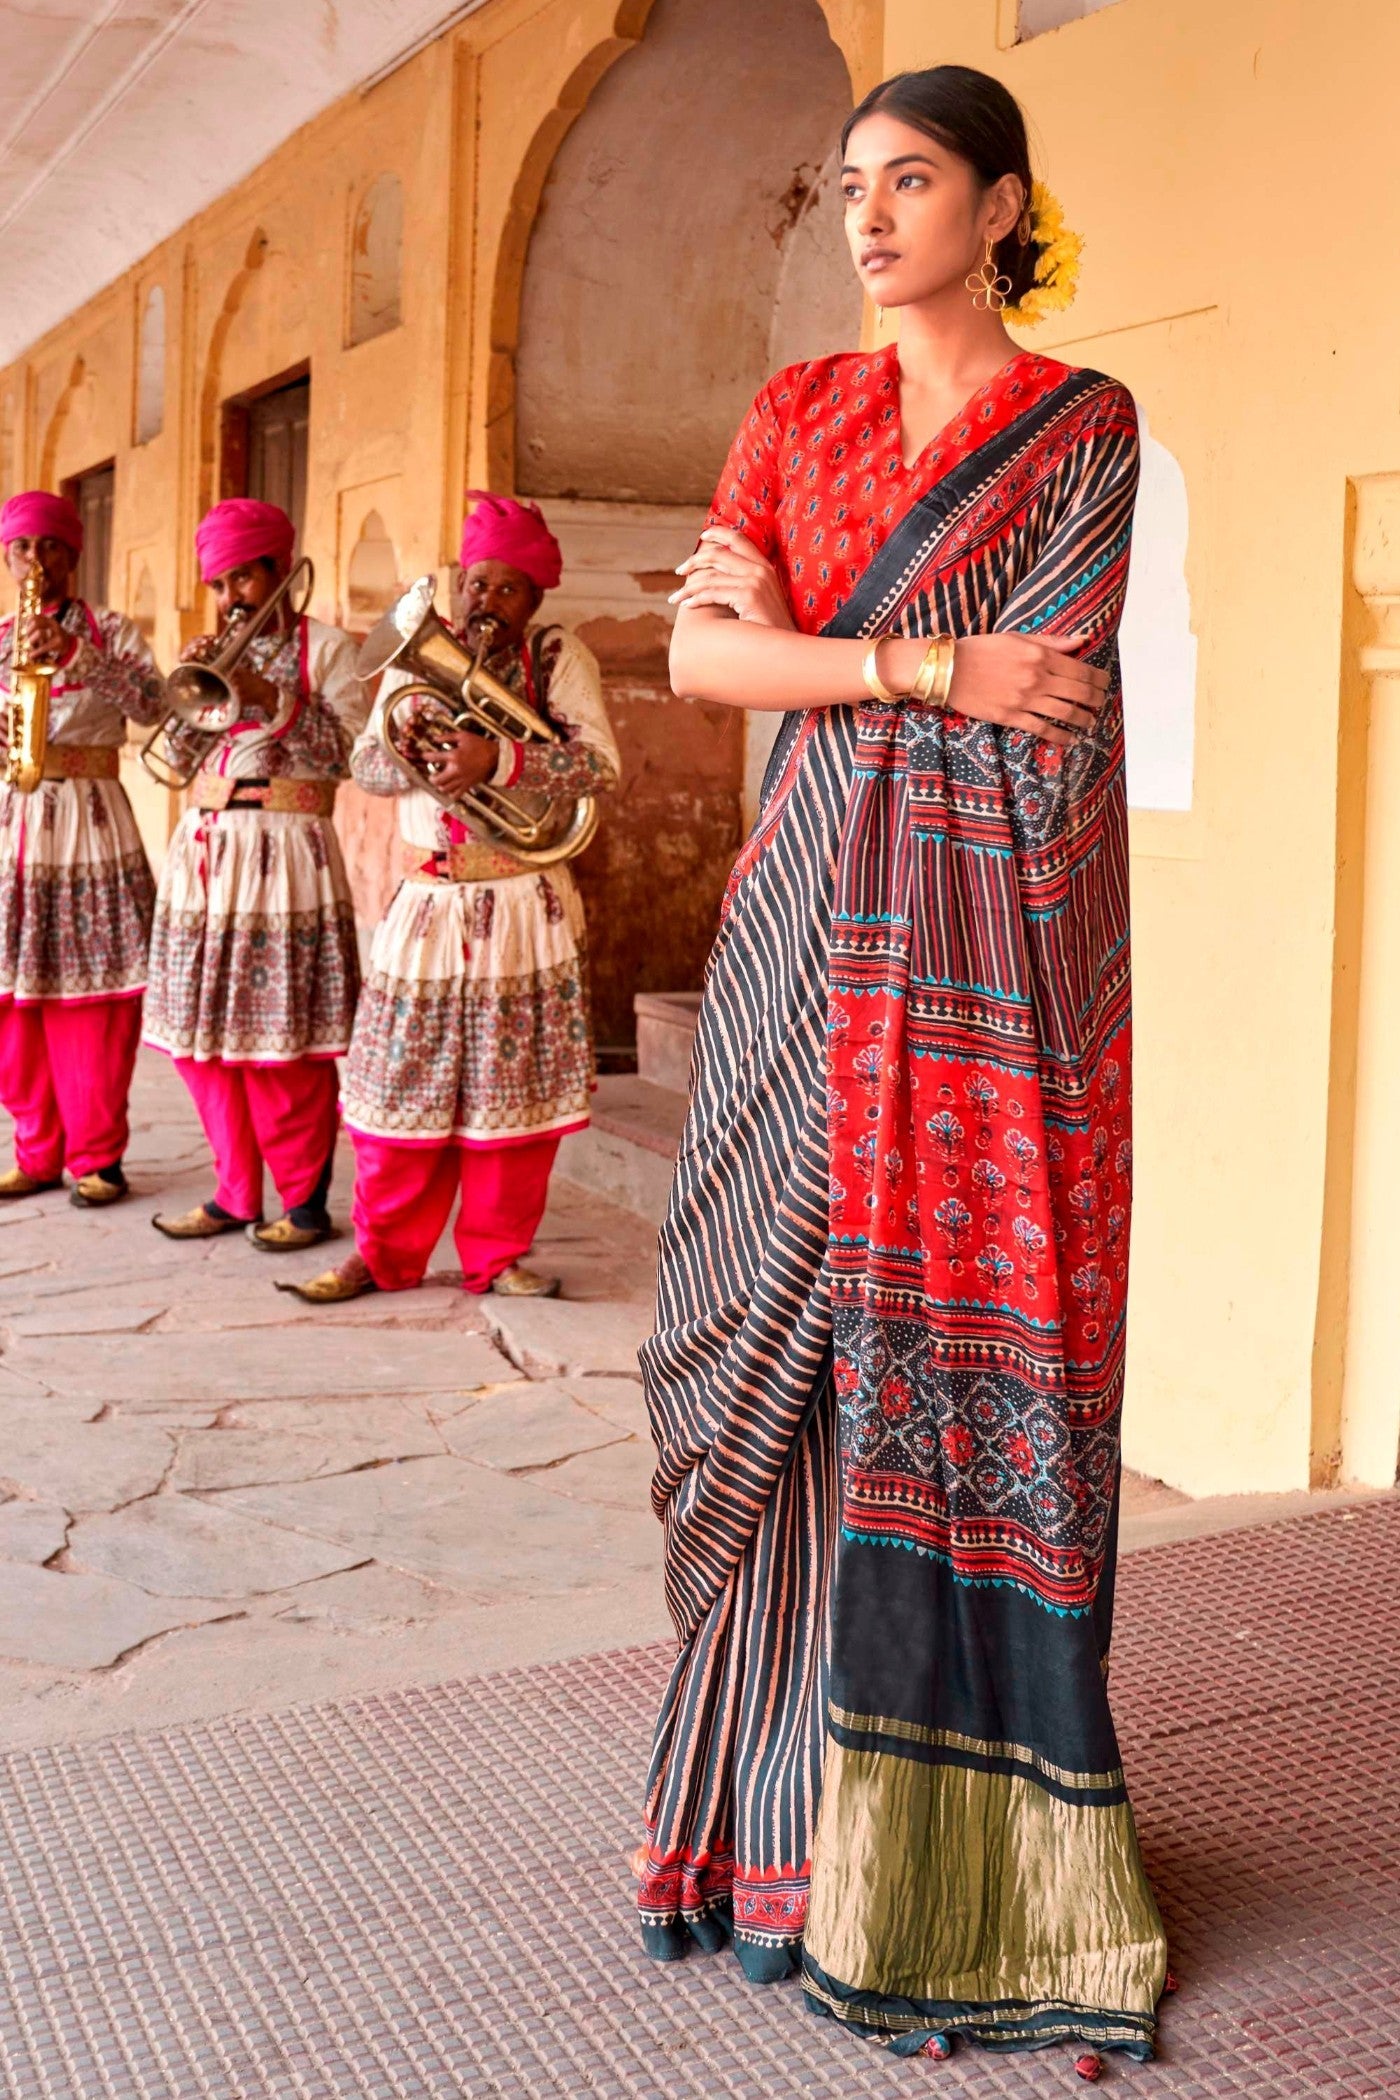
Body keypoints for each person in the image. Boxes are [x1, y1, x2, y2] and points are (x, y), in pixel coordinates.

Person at [636, 65, 1169, 2073]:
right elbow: (700, 663)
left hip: (976, 996)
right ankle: (771, 1836)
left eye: (911, 180)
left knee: (926, 1369)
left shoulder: (1081, 432)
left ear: (1000, 203)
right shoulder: (801, 414)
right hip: (796, 958)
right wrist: (910, 665)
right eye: (847, 182)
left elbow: (1052, 726)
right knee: (764, 1364)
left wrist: (815, 651)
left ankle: (953, 1869)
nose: (866, 216)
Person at [283, 494, 619, 1307]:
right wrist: (414, 748)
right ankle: (383, 1254)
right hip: (428, 900)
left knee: (517, 1094)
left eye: (508, 589)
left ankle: (497, 1256)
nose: (485, 602)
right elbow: (363, 767)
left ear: (536, 597)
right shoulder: (411, 658)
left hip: (521, 901)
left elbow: (599, 768)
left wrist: (498, 760)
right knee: (397, 1085)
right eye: (476, 583)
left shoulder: (557, 654)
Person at [144, 498, 365, 1249]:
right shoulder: (209, 650)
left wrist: (281, 700)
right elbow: (170, 763)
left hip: (287, 857)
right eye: (221, 583)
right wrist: (190, 689)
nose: (232, 596)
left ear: (281, 573)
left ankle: (303, 1204)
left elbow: (351, 756)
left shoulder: (328, 648)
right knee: (198, 1039)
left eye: (244, 577)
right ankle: (233, 1193)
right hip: (204, 857)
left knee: (284, 1040)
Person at [0, 490, 166, 1208]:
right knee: (14, 1004)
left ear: (74, 554)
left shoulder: (113, 631)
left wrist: (76, 655)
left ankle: (98, 1156)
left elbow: (156, 706)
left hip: (92, 823)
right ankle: (35, 1152)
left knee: (93, 1001)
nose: (36, 560)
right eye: (22, 549)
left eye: (49, 548)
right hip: (13, 827)